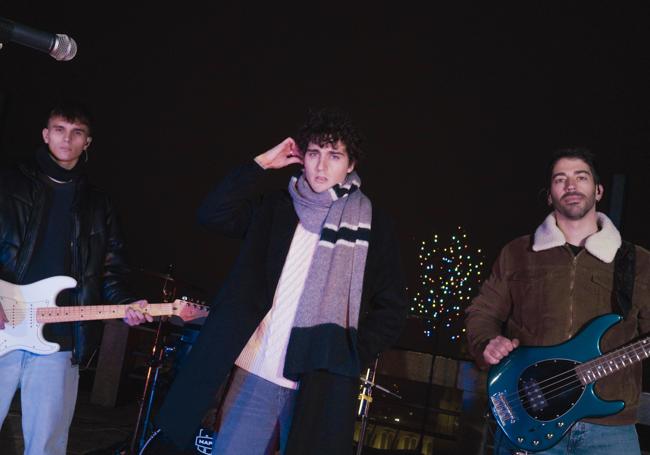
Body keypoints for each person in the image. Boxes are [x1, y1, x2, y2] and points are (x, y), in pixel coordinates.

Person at [154, 107, 408, 454]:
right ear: (302, 157)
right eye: (314, 153)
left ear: (350, 165)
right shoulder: (276, 207)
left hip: (319, 379)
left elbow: (391, 308)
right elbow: (213, 214)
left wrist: (348, 355)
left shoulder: (372, 227)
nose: (321, 166)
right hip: (256, 372)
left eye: (334, 156)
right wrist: (260, 164)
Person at [465, 148, 650, 454]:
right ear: (549, 195)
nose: (571, 185)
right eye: (560, 179)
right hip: (529, 418)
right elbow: (482, 312)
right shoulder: (518, 253)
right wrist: (486, 341)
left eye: (581, 177)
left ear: (599, 190)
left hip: (610, 428)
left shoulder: (638, 262)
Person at [0, 102, 153, 455]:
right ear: (45, 134)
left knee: (47, 445)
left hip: (60, 337)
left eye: (77, 132)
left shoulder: (98, 204)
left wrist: (126, 304)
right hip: (4, 323)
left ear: (87, 142)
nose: (67, 139)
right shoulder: (8, 182)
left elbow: (110, 269)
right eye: (59, 129)